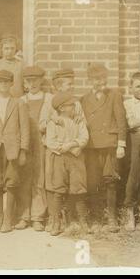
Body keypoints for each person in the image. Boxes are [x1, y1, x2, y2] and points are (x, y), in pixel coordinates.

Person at [80, 63, 127, 233]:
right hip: (91, 146)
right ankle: (95, 218)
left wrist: (121, 143)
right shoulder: (84, 99)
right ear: (89, 80)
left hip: (110, 145)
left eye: (101, 78)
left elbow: (121, 120)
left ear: (106, 78)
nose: (98, 82)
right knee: (93, 182)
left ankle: (112, 218)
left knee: (110, 180)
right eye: (94, 79)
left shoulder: (114, 95)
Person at [0, 70, 29, 233]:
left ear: (11, 84)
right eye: (0, 82)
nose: (3, 85)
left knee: (11, 182)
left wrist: (23, 150)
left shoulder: (18, 103)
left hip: (12, 149)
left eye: (6, 82)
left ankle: (8, 219)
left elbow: (24, 128)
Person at [45, 92, 91, 236]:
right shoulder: (53, 123)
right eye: (71, 105)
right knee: (58, 189)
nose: (74, 107)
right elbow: (50, 142)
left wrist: (72, 144)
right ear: (63, 108)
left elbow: (84, 137)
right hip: (59, 159)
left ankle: (83, 221)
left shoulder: (78, 121)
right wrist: (63, 148)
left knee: (79, 189)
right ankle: (56, 222)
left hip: (76, 159)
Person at [16, 66, 53, 231]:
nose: (33, 84)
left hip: (41, 143)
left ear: (41, 81)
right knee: (24, 178)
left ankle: (38, 216)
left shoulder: (49, 99)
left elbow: (55, 120)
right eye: (29, 81)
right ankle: (24, 216)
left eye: (36, 80)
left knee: (39, 178)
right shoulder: (21, 100)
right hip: (25, 144)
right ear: (24, 83)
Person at [123, 72, 140, 231]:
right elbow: (131, 123)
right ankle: (129, 213)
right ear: (131, 88)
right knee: (134, 175)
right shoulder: (128, 104)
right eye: (138, 86)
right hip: (135, 139)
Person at [0, 34, 24, 102]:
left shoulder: (21, 65)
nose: (9, 51)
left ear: (16, 49)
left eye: (12, 48)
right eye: (6, 48)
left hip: (16, 100)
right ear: (1, 49)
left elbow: (26, 84)